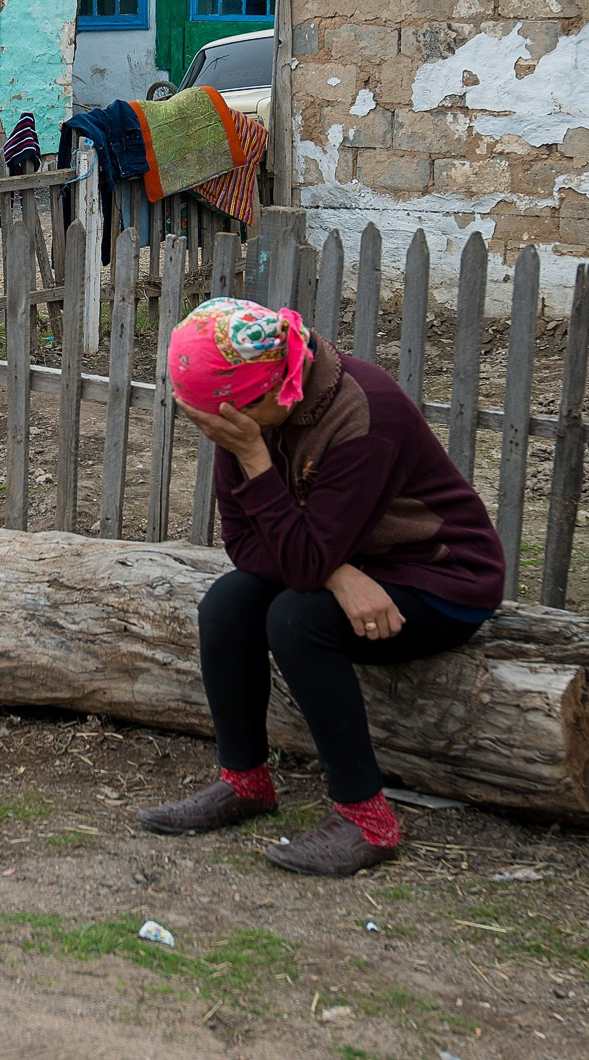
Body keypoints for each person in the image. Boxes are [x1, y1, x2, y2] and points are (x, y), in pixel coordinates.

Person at [135, 297, 505, 877]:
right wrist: (338, 574)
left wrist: (255, 459)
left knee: (296, 619)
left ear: (270, 390)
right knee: (228, 604)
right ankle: (245, 782)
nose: (218, 432)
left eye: (224, 420)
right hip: (350, 560)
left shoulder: (364, 414)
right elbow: (243, 544)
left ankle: (367, 819)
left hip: (442, 579)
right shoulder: (252, 412)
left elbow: (301, 561)